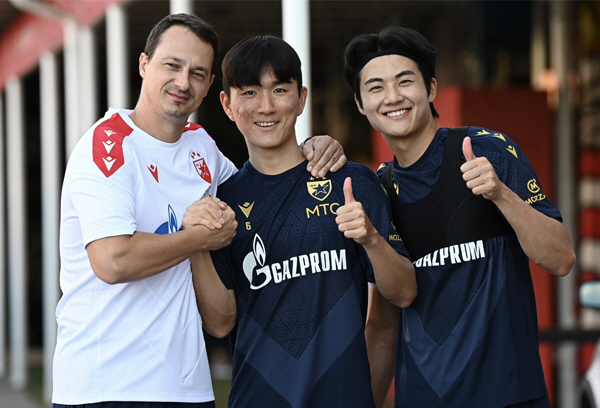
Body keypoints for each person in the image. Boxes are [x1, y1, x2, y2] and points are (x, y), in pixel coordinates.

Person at [53, 13, 346, 408]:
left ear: (209, 86)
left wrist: (314, 147)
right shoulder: (106, 146)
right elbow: (112, 261)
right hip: (107, 388)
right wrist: (196, 239)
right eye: (172, 65)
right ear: (144, 64)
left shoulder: (199, 146)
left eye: (197, 73)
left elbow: (263, 184)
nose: (182, 82)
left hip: (187, 389)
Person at [343, 26, 576, 408]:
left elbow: (561, 258)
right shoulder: (378, 190)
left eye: (405, 81)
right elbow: (383, 324)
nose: (393, 97)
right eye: (376, 87)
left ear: (431, 89)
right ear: (360, 103)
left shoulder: (485, 149)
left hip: (511, 396)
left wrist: (501, 194)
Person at [182, 35, 417, 408]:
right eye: (249, 93)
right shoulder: (223, 204)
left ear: (301, 97)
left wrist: (371, 238)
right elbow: (221, 322)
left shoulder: (351, 182)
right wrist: (193, 241)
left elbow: (403, 293)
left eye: (279, 90)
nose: (267, 106)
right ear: (227, 105)